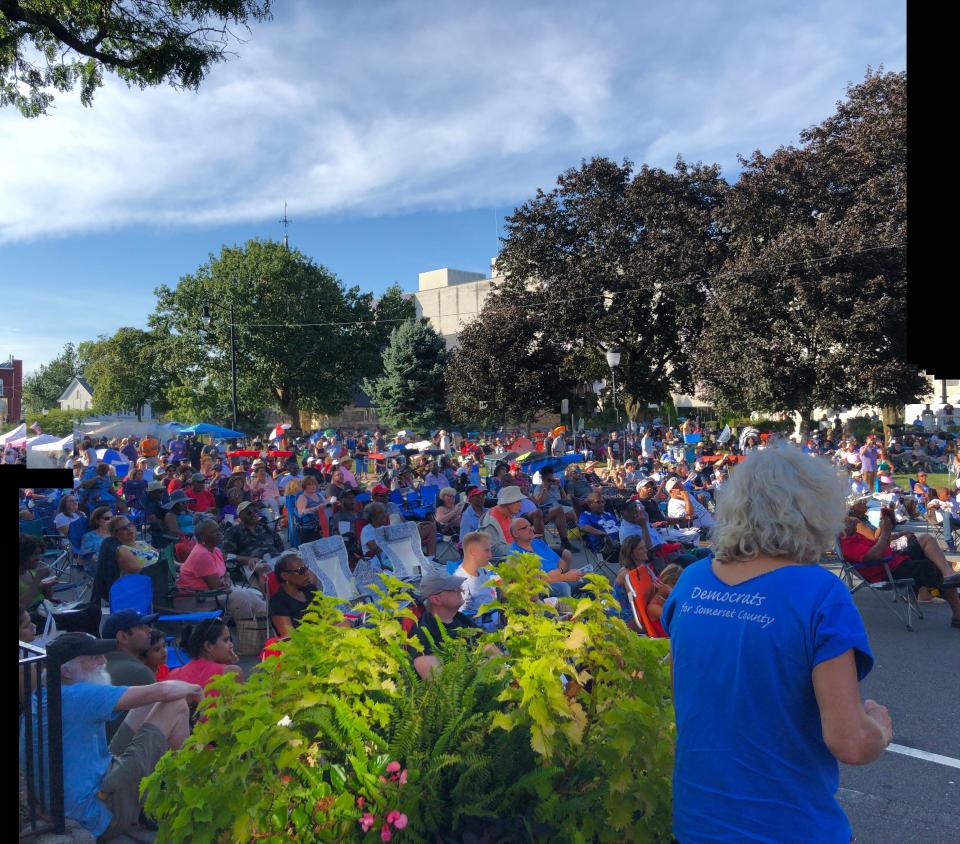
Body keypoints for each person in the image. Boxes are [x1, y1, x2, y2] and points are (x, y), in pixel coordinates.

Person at [661, 446, 894, 843]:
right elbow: (851, 743)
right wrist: (880, 727)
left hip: (698, 821)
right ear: (816, 512)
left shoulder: (691, 581)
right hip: (789, 826)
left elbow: (688, 685)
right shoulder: (819, 594)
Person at [20, 632, 202, 840]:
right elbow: (164, 692)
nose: (103, 661)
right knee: (176, 704)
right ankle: (187, 798)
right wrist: (195, 689)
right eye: (93, 658)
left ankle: (167, 795)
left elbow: (152, 695)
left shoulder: (45, 693)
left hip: (73, 795)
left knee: (148, 700)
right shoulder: (77, 696)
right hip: (98, 812)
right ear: (66, 671)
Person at [839, 512, 960, 626]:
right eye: (848, 520)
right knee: (931, 566)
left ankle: (946, 574)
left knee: (925, 539)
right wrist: (885, 532)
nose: (853, 520)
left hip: (894, 559)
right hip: (888, 570)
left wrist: (897, 535)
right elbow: (874, 555)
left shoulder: (855, 535)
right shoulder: (848, 545)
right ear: (839, 529)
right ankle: (957, 613)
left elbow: (875, 543)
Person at [177, 520, 268, 621]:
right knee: (242, 598)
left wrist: (227, 579)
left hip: (211, 592)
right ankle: (248, 634)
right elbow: (216, 587)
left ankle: (268, 628)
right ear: (202, 538)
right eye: (213, 532)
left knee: (254, 597)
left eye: (218, 530)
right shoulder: (202, 554)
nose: (219, 533)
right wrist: (226, 582)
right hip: (195, 599)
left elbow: (224, 574)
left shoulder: (216, 550)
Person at [408, 573, 479, 680]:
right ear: (436, 599)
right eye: (455, 588)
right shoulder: (421, 635)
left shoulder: (461, 619)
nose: (461, 590)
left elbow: (491, 648)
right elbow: (442, 685)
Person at [508, 517, 584, 598]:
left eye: (530, 526)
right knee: (562, 587)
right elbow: (532, 582)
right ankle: (568, 609)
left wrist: (561, 571)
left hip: (559, 576)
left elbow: (559, 561)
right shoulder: (515, 556)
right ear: (515, 533)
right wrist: (563, 577)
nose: (530, 529)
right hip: (542, 588)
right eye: (525, 528)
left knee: (589, 577)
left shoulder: (538, 543)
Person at [167, 618, 242, 697]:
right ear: (208, 646)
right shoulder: (232, 673)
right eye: (226, 640)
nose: (231, 645)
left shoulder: (173, 675)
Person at [222, 501, 282, 588]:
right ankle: (270, 597)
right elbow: (226, 555)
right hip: (251, 565)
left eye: (256, 511)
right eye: (249, 513)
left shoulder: (265, 527)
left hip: (273, 559)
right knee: (264, 568)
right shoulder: (233, 531)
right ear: (240, 516)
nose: (254, 514)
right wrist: (247, 559)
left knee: (295, 558)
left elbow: (279, 545)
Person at [268, 550, 322, 636]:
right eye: (301, 570)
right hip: (305, 645)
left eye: (306, 568)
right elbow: (289, 638)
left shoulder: (310, 589)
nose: (307, 573)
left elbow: (329, 616)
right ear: (285, 576)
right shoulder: (278, 602)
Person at [453, 532, 499, 619]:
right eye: (486, 550)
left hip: (497, 613)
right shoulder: (460, 580)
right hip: (481, 623)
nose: (490, 555)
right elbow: (463, 615)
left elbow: (500, 583)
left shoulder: (487, 566)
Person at [531, 466, 577, 551]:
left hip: (559, 507)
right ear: (543, 479)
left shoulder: (555, 487)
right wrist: (544, 488)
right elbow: (540, 502)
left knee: (574, 511)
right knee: (566, 511)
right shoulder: (539, 488)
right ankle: (567, 538)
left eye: (551, 479)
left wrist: (560, 487)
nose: (551, 481)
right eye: (549, 480)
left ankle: (572, 533)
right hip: (546, 509)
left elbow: (563, 499)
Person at [479, 486, 525, 557]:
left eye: (520, 501)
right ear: (507, 502)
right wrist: (520, 548)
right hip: (501, 562)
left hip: (513, 556)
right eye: (517, 501)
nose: (520, 505)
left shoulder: (509, 515)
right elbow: (492, 549)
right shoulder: (490, 521)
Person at [295, 475, 330, 544]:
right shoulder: (302, 497)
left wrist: (331, 502)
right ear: (304, 486)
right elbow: (301, 512)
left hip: (323, 523)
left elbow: (325, 504)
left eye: (314, 484)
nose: (313, 486)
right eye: (310, 484)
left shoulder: (319, 495)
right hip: (311, 527)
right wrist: (317, 508)